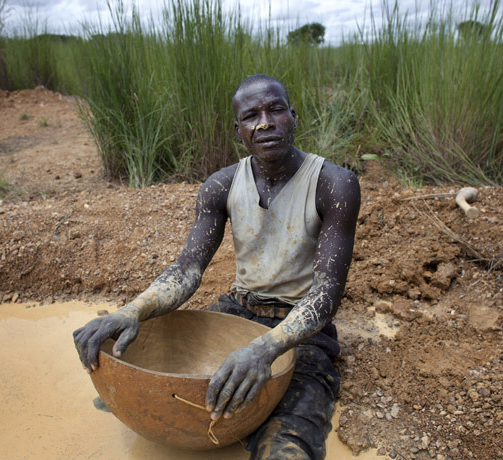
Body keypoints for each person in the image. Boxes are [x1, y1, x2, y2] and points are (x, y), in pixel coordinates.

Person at [73, 74, 360, 460]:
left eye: (275, 110)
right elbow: (187, 271)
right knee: (137, 379)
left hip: (301, 329)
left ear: (293, 116)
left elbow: (326, 297)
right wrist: (132, 310)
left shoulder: (334, 184)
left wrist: (264, 349)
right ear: (237, 129)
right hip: (238, 310)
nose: (265, 122)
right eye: (251, 115)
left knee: (286, 444)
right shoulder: (221, 185)